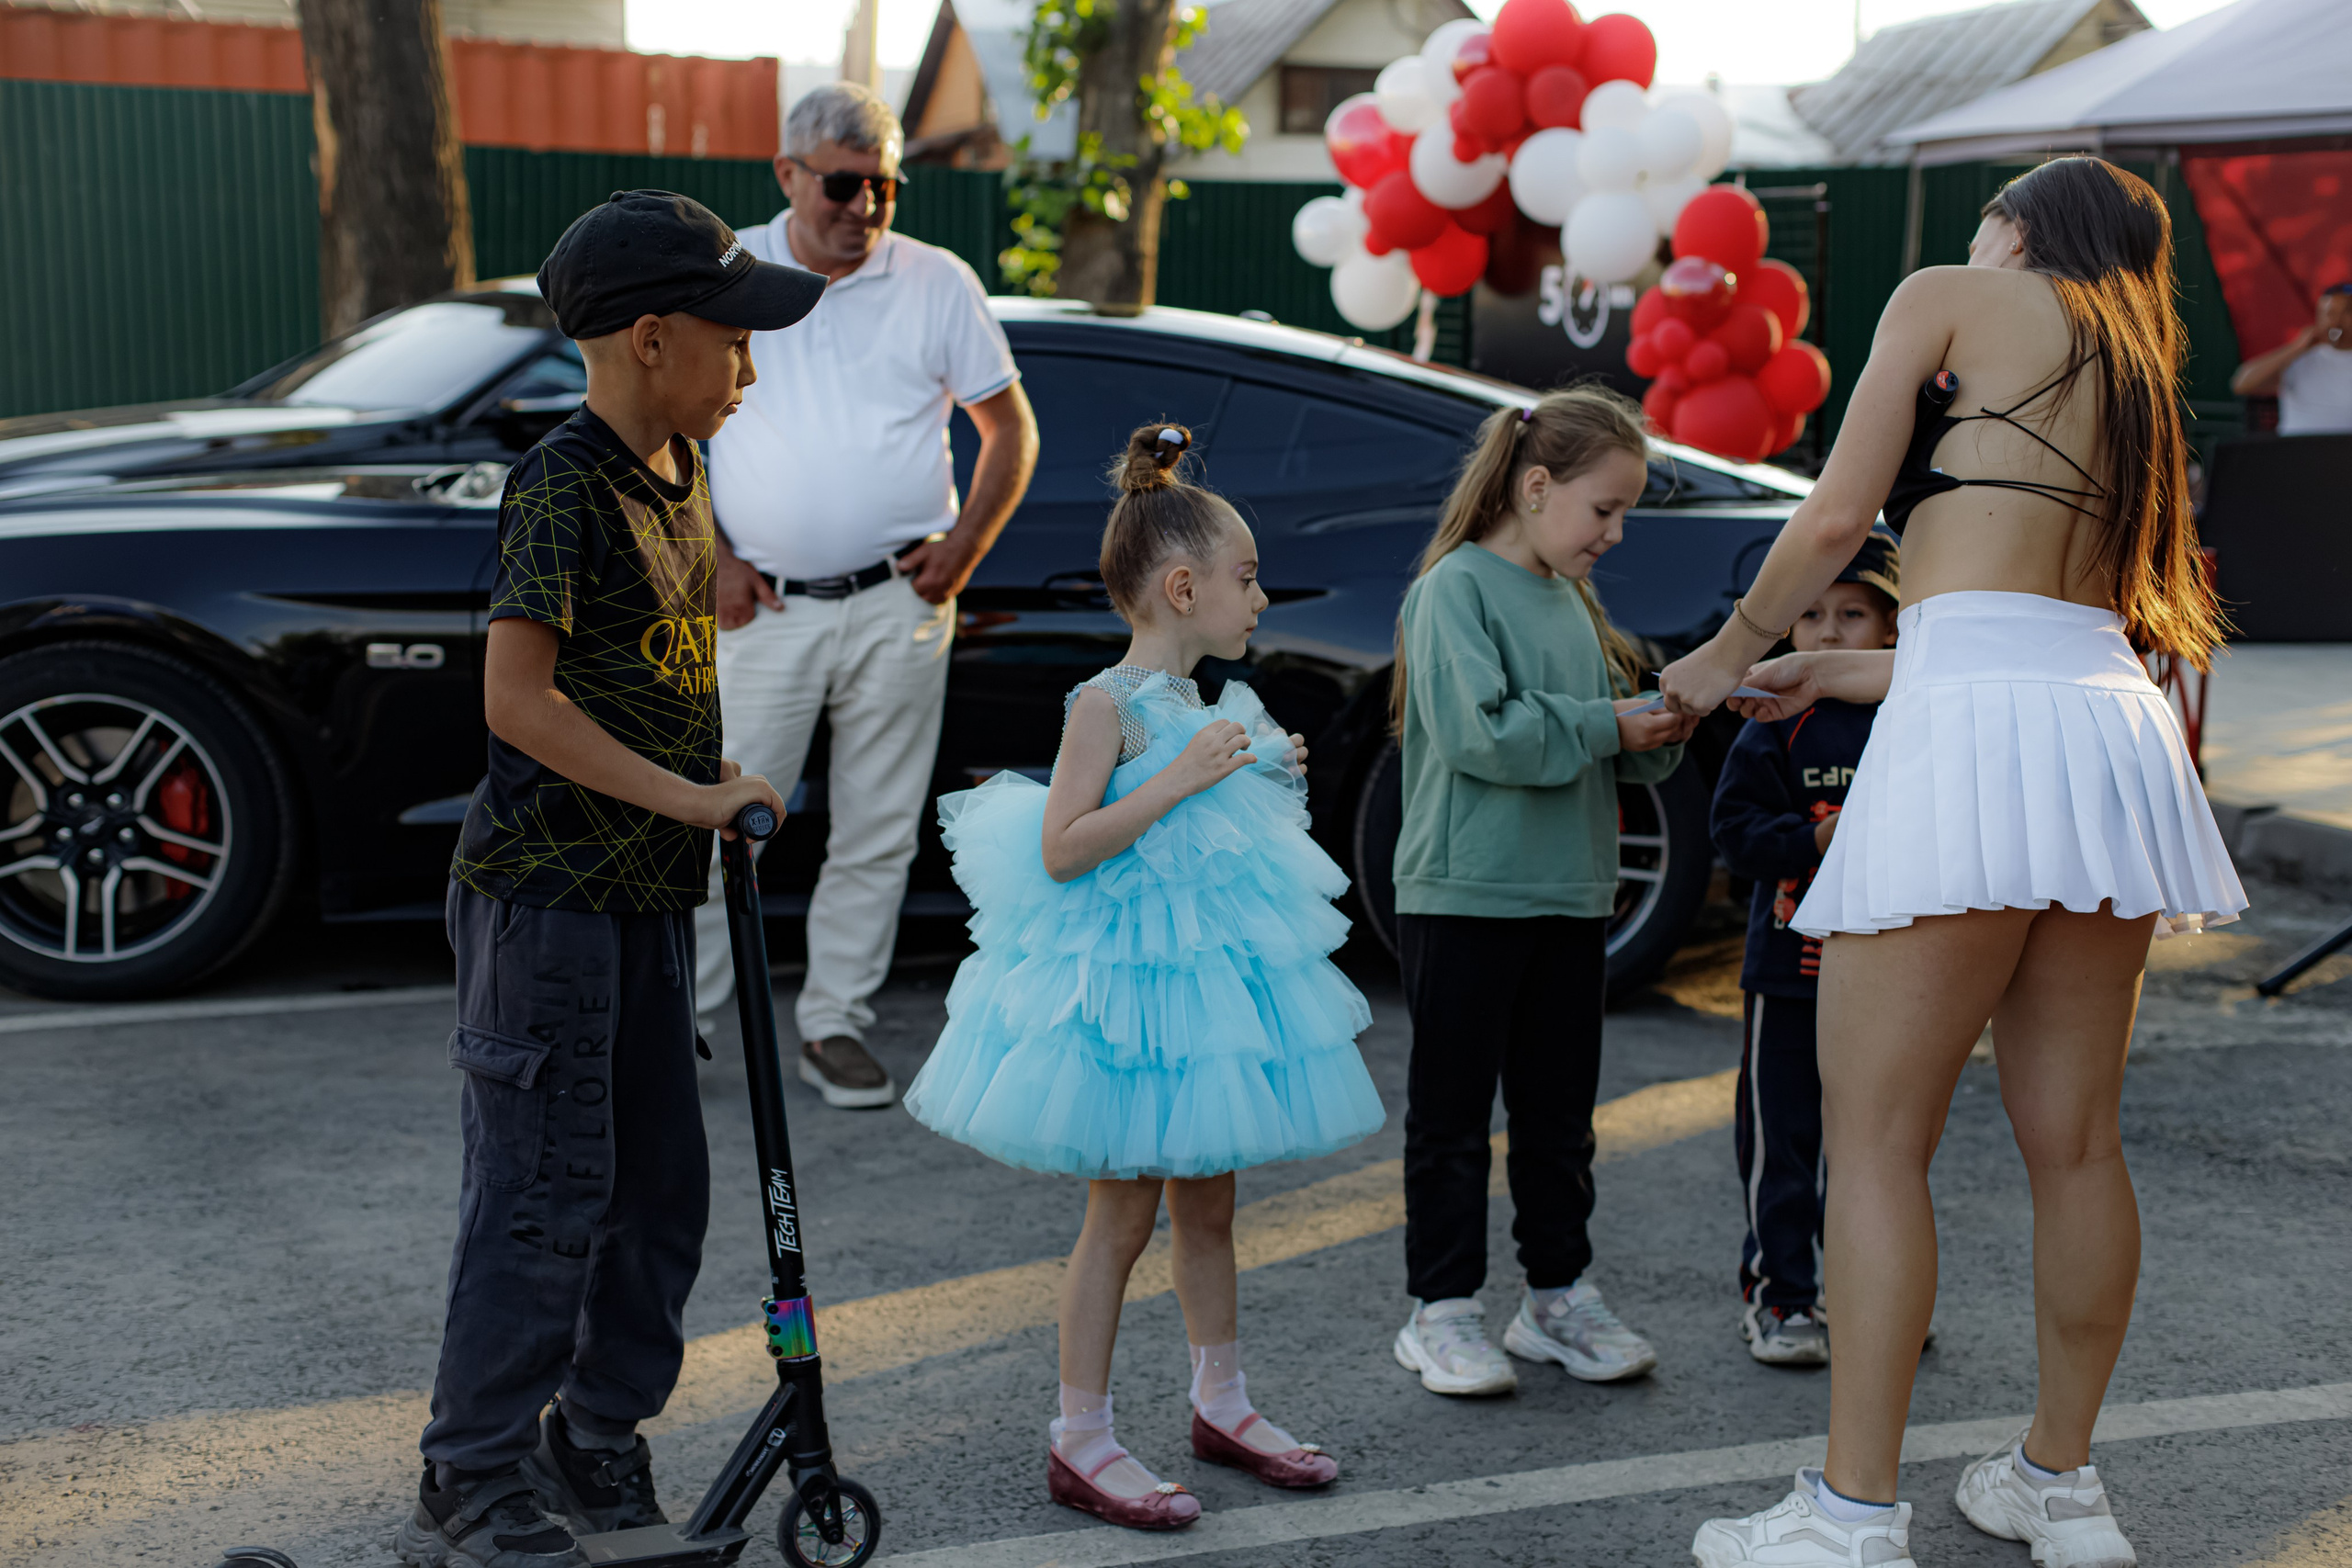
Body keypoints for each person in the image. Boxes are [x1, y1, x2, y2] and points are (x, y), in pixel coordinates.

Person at [1664, 157, 2245, 1568]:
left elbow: (1832, 518)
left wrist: (1726, 654)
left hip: (1971, 730)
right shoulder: (2138, 367)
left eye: (1991, 219)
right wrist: (1832, 669)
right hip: (2107, 725)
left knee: (1875, 1136)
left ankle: (1853, 1513)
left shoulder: (1949, 294)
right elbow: (2012, 617)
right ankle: (2062, 1483)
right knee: (2078, 1141)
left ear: (2019, 228)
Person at [401, 192, 808, 1568]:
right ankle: (471, 1471)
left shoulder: (684, 473)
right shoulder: (562, 482)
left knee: (659, 1194)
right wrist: (693, 796)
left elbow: (643, 677)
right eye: (731, 341)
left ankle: (592, 1432)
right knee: (545, 1193)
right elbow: (517, 701)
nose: (748, 368)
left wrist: (710, 778)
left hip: (645, 895)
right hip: (547, 901)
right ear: (649, 339)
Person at [901, 423, 1385, 1530]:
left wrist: (1257, 768)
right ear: (1181, 588)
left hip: (1203, 995)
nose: (1259, 598)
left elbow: (1218, 841)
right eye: (1246, 578)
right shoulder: (1104, 704)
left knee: (1210, 1203)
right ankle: (1080, 1436)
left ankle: (1223, 1401)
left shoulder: (1208, 708)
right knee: (1120, 1215)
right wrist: (1182, 779)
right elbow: (1063, 847)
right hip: (1128, 1002)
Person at [694, 81, 1039, 1109]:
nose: (867, 205)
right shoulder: (732, 271)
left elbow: (1009, 430)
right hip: (763, 607)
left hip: (898, 601)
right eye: (844, 185)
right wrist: (713, 556)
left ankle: (833, 1024)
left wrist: (962, 551)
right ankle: (686, 1021)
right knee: (719, 815)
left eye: (885, 184)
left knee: (880, 827)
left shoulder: (937, 281)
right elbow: (663, 426)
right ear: (788, 174)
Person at [1385, 388, 1699, 1399]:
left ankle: (1555, 1299)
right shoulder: (1453, 590)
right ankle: (1439, 1312)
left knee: (1559, 1120)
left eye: (1623, 513)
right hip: (1464, 895)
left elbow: (1599, 743)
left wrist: (1661, 728)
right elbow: (1481, 736)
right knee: (1451, 1119)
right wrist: (1611, 724)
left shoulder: (1572, 597)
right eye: (1604, 508)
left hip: (1570, 896)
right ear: (1533, 487)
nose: (1615, 532)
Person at [1707, 530, 1900, 1370]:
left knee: (1879, 1146)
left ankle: (1872, 1293)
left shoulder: (1912, 716)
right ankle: (1780, 1294)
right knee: (1782, 1143)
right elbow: (1733, 831)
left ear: (1892, 626)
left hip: (1895, 975)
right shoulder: (1777, 721)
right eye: (1812, 613)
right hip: (1791, 975)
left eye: (1852, 614)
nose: (1828, 631)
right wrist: (1812, 839)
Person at [2229, 280, 2352, 434]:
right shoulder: (2298, 358)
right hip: (2297, 446)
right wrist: (2297, 348)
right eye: (2329, 314)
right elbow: (2241, 385)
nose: (2336, 322)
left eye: (2346, 312)